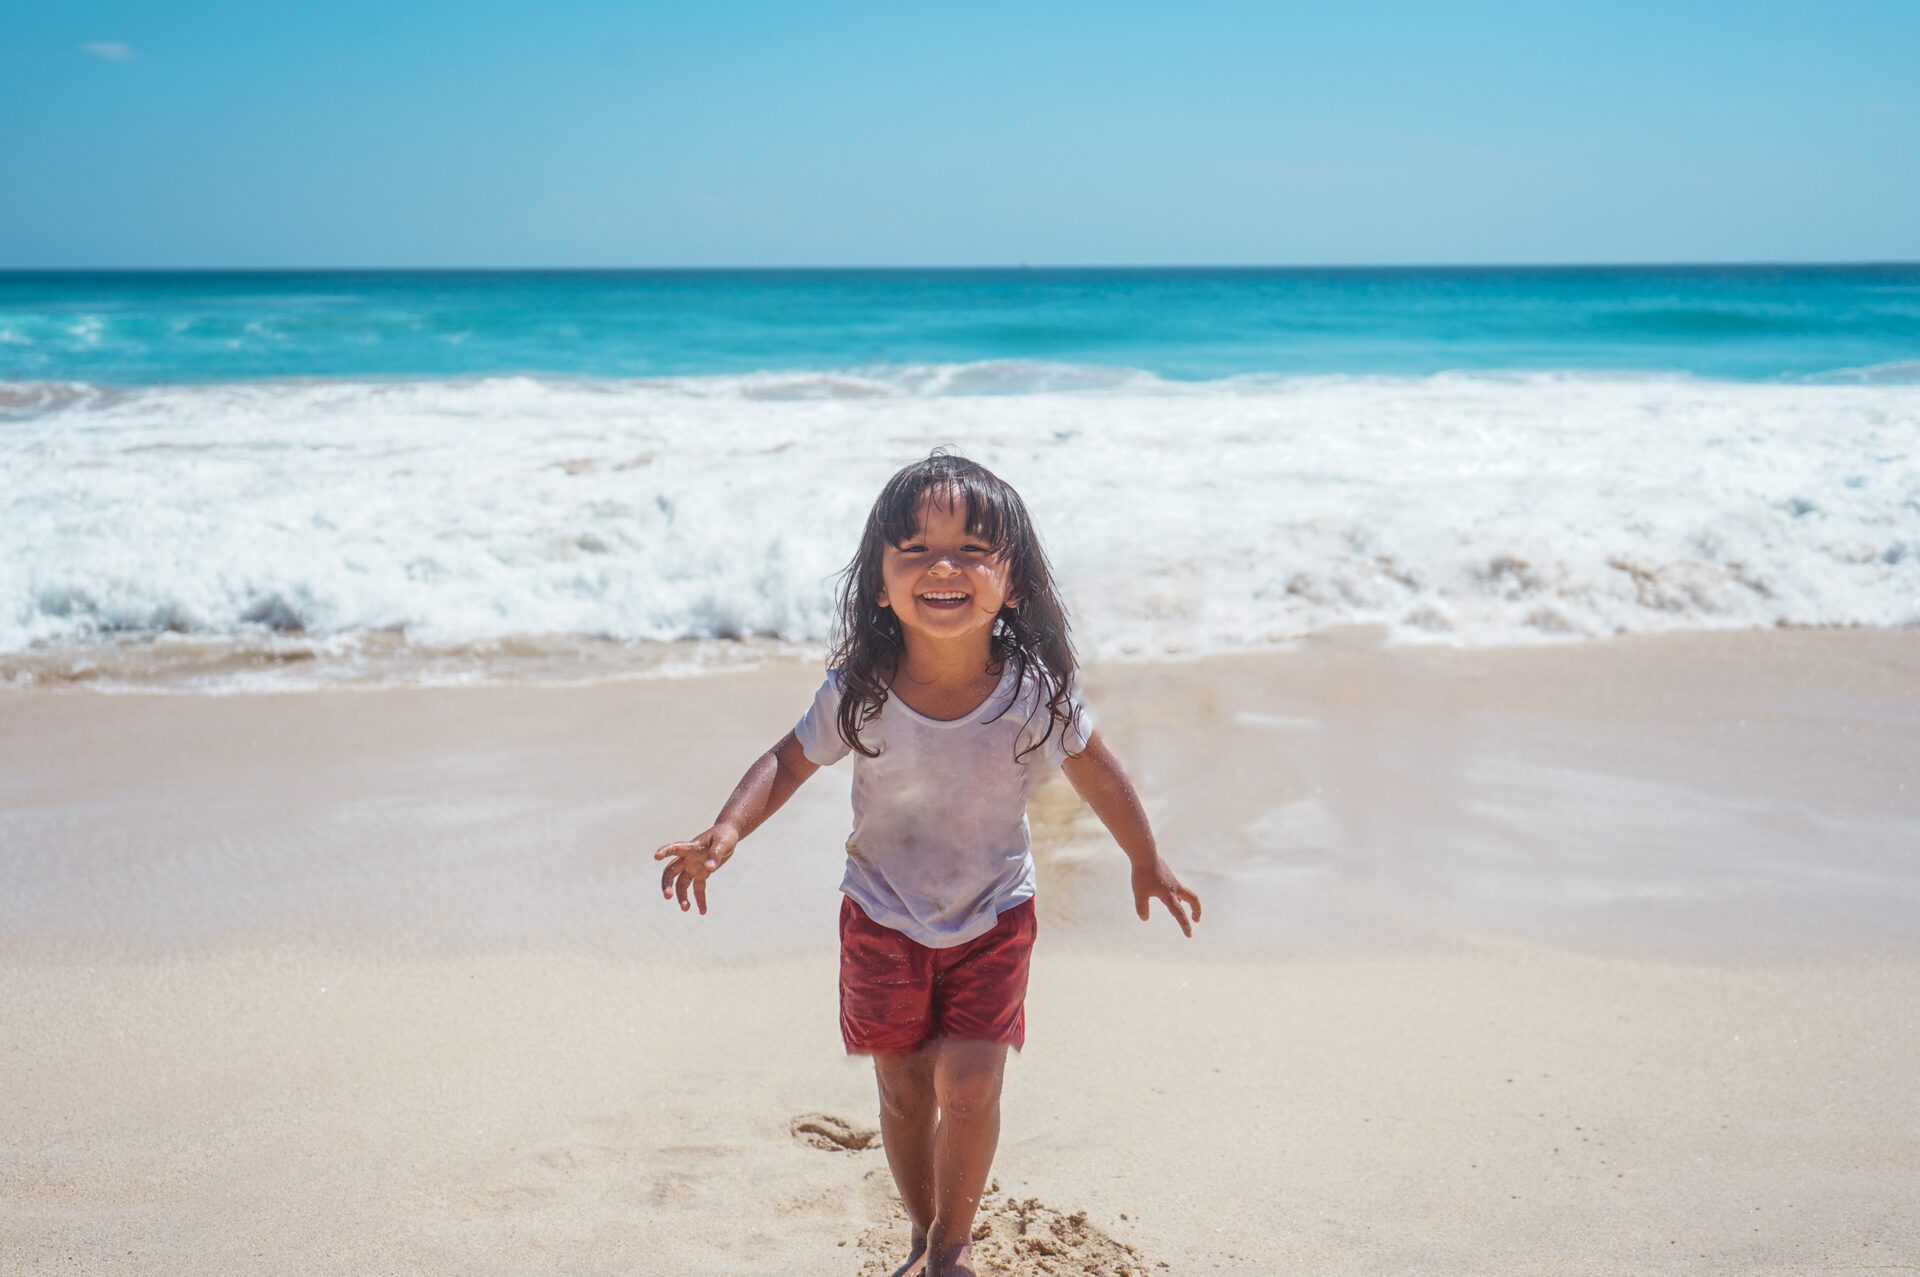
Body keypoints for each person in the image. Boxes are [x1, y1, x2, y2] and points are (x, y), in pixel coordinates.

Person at [654, 450, 1201, 1277]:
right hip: (879, 914)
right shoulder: (860, 687)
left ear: (1012, 582)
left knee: (970, 1085)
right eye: (915, 548)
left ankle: (952, 1246)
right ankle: (922, 1231)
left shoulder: (1033, 690)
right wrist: (727, 829)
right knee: (905, 1093)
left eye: (975, 550)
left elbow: (1097, 768)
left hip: (994, 913)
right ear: (880, 580)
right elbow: (790, 760)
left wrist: (1147, 860)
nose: (945, 566)